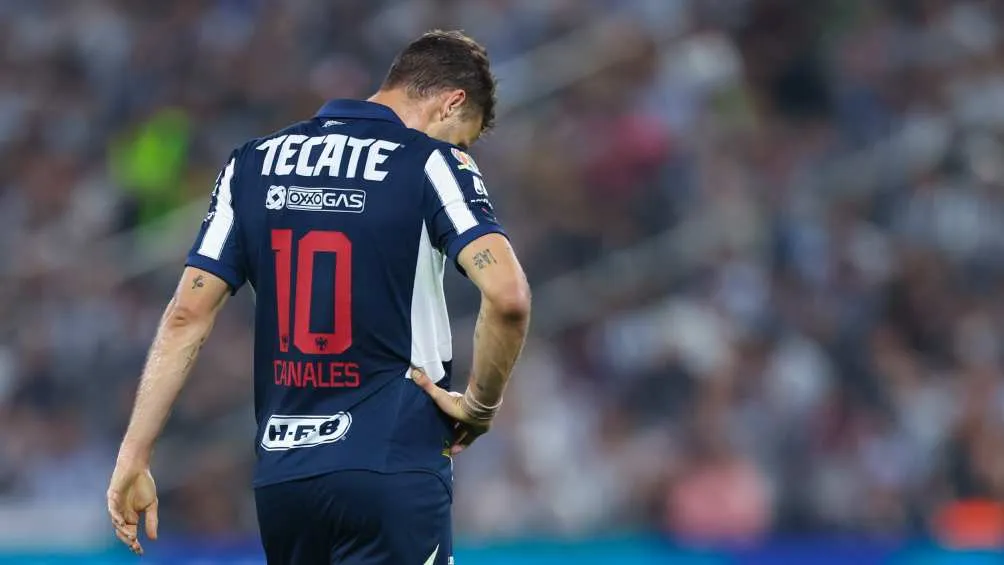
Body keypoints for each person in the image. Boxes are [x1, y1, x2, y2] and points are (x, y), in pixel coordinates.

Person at [106, 30, 531, 565]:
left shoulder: (251, 164)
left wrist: (134, 453)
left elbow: (185, 315)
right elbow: (508, 297)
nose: (459, 150)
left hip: (284, 480)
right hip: (392, 466)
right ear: (452, 102)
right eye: (462, 139)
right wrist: (480, 407)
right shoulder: (433, 163)